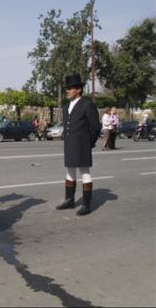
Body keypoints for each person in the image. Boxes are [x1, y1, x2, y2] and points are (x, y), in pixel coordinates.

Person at [56, 74, 101, 216]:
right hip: (70, 144)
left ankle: (87, 205)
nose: (67, 91)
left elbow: (96, 127)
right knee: (69, 171)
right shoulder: (65, 107)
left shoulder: (87, 104)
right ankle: (69, 200)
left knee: (85, 173)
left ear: (79, 90)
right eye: (67, 88)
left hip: (82, 145)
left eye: (70, 88)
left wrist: (89, 143)